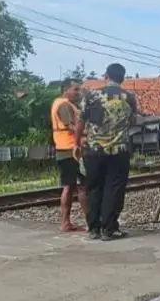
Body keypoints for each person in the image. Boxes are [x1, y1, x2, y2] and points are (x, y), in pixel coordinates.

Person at [75, 63, 139, 241]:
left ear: (106, 76)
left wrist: (76, 144)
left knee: (94, 187)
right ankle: (109, 228)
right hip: (119, 150)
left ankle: (93, 228)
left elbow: (80, 121)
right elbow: (133, 121)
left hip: (94, 150)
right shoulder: (129, 98)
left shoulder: (91, 96)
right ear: (122, 79)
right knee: (114, 189)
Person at [51, 79, 87, 232]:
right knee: (83, 186)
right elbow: (72, 126)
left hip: (64, 149)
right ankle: (90, 221)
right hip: (71, 150)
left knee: (69, 186)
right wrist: (88, 134)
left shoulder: (59, 103)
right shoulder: (64, 105)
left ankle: (66, 222)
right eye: (75, 89)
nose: (78, 93)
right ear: (66, 90)